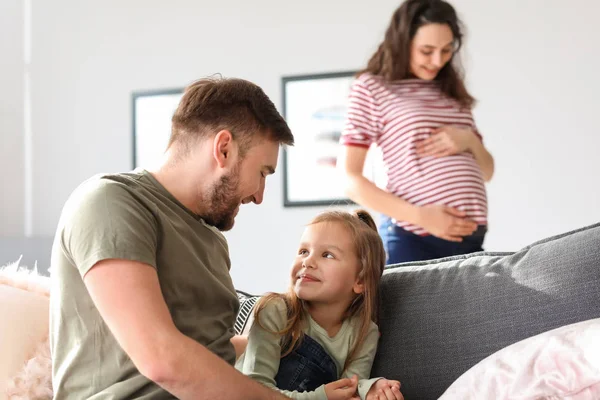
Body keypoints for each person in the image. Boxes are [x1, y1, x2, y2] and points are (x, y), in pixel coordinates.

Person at [49, 76, 296, 399]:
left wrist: (275, 342)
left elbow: (209, 350)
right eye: (262, 173)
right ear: (223, 149)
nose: (259, 196)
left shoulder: (211, 238)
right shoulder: (111, 204)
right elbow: (161, 358)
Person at [338, 0, 495, 264]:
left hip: (470, 240)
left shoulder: (452, 94)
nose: (437, 61)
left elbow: (487, 171)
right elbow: (349, 179)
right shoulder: (373, 88)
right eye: (427, 50)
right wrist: (422, 217)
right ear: (402, 41)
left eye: (446, 50)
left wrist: (468, 140)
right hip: (413, 237)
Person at [236, 209, 404, 400]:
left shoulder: (364, 333)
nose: (308, 261)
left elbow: (349, 388)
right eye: (303, 251)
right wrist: (320, 397)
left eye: (327, 255)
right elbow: (253, 391)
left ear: (360, 281)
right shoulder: (274, 310)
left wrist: (372, 387)